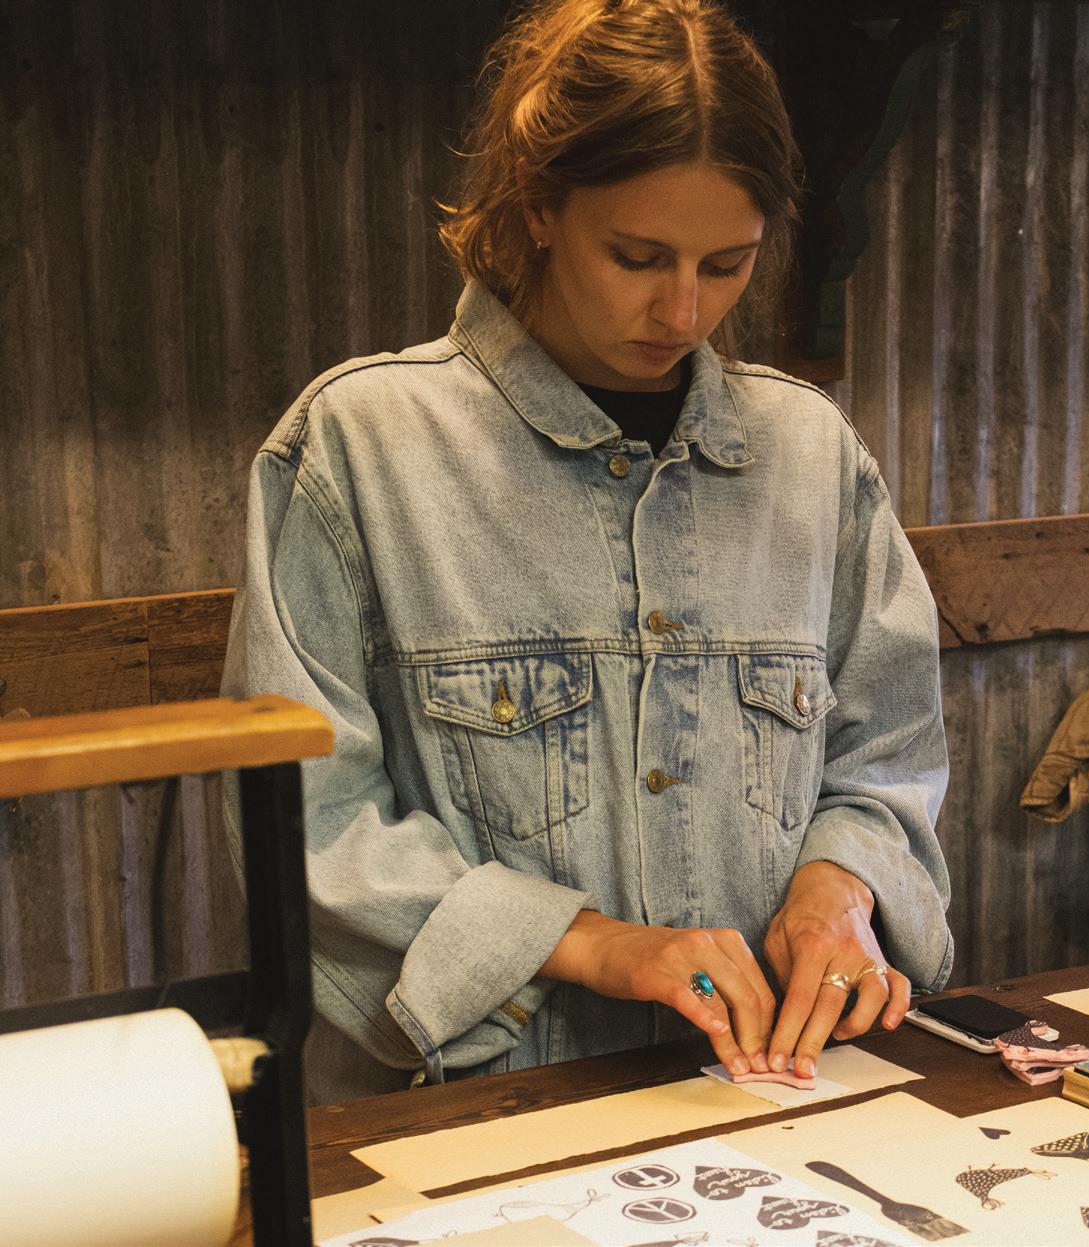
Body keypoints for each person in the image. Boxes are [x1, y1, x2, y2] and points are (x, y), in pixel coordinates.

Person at [221, 0, 952, 1104]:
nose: (684, 309)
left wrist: (841, 882)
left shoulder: (811, 456)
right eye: (638, 256)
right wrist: (589, 942)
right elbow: (301, 818)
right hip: (469, 1122)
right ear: (539, 203)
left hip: (771, 1106)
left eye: (729, 263)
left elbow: (889, 751)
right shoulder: (361, 450)